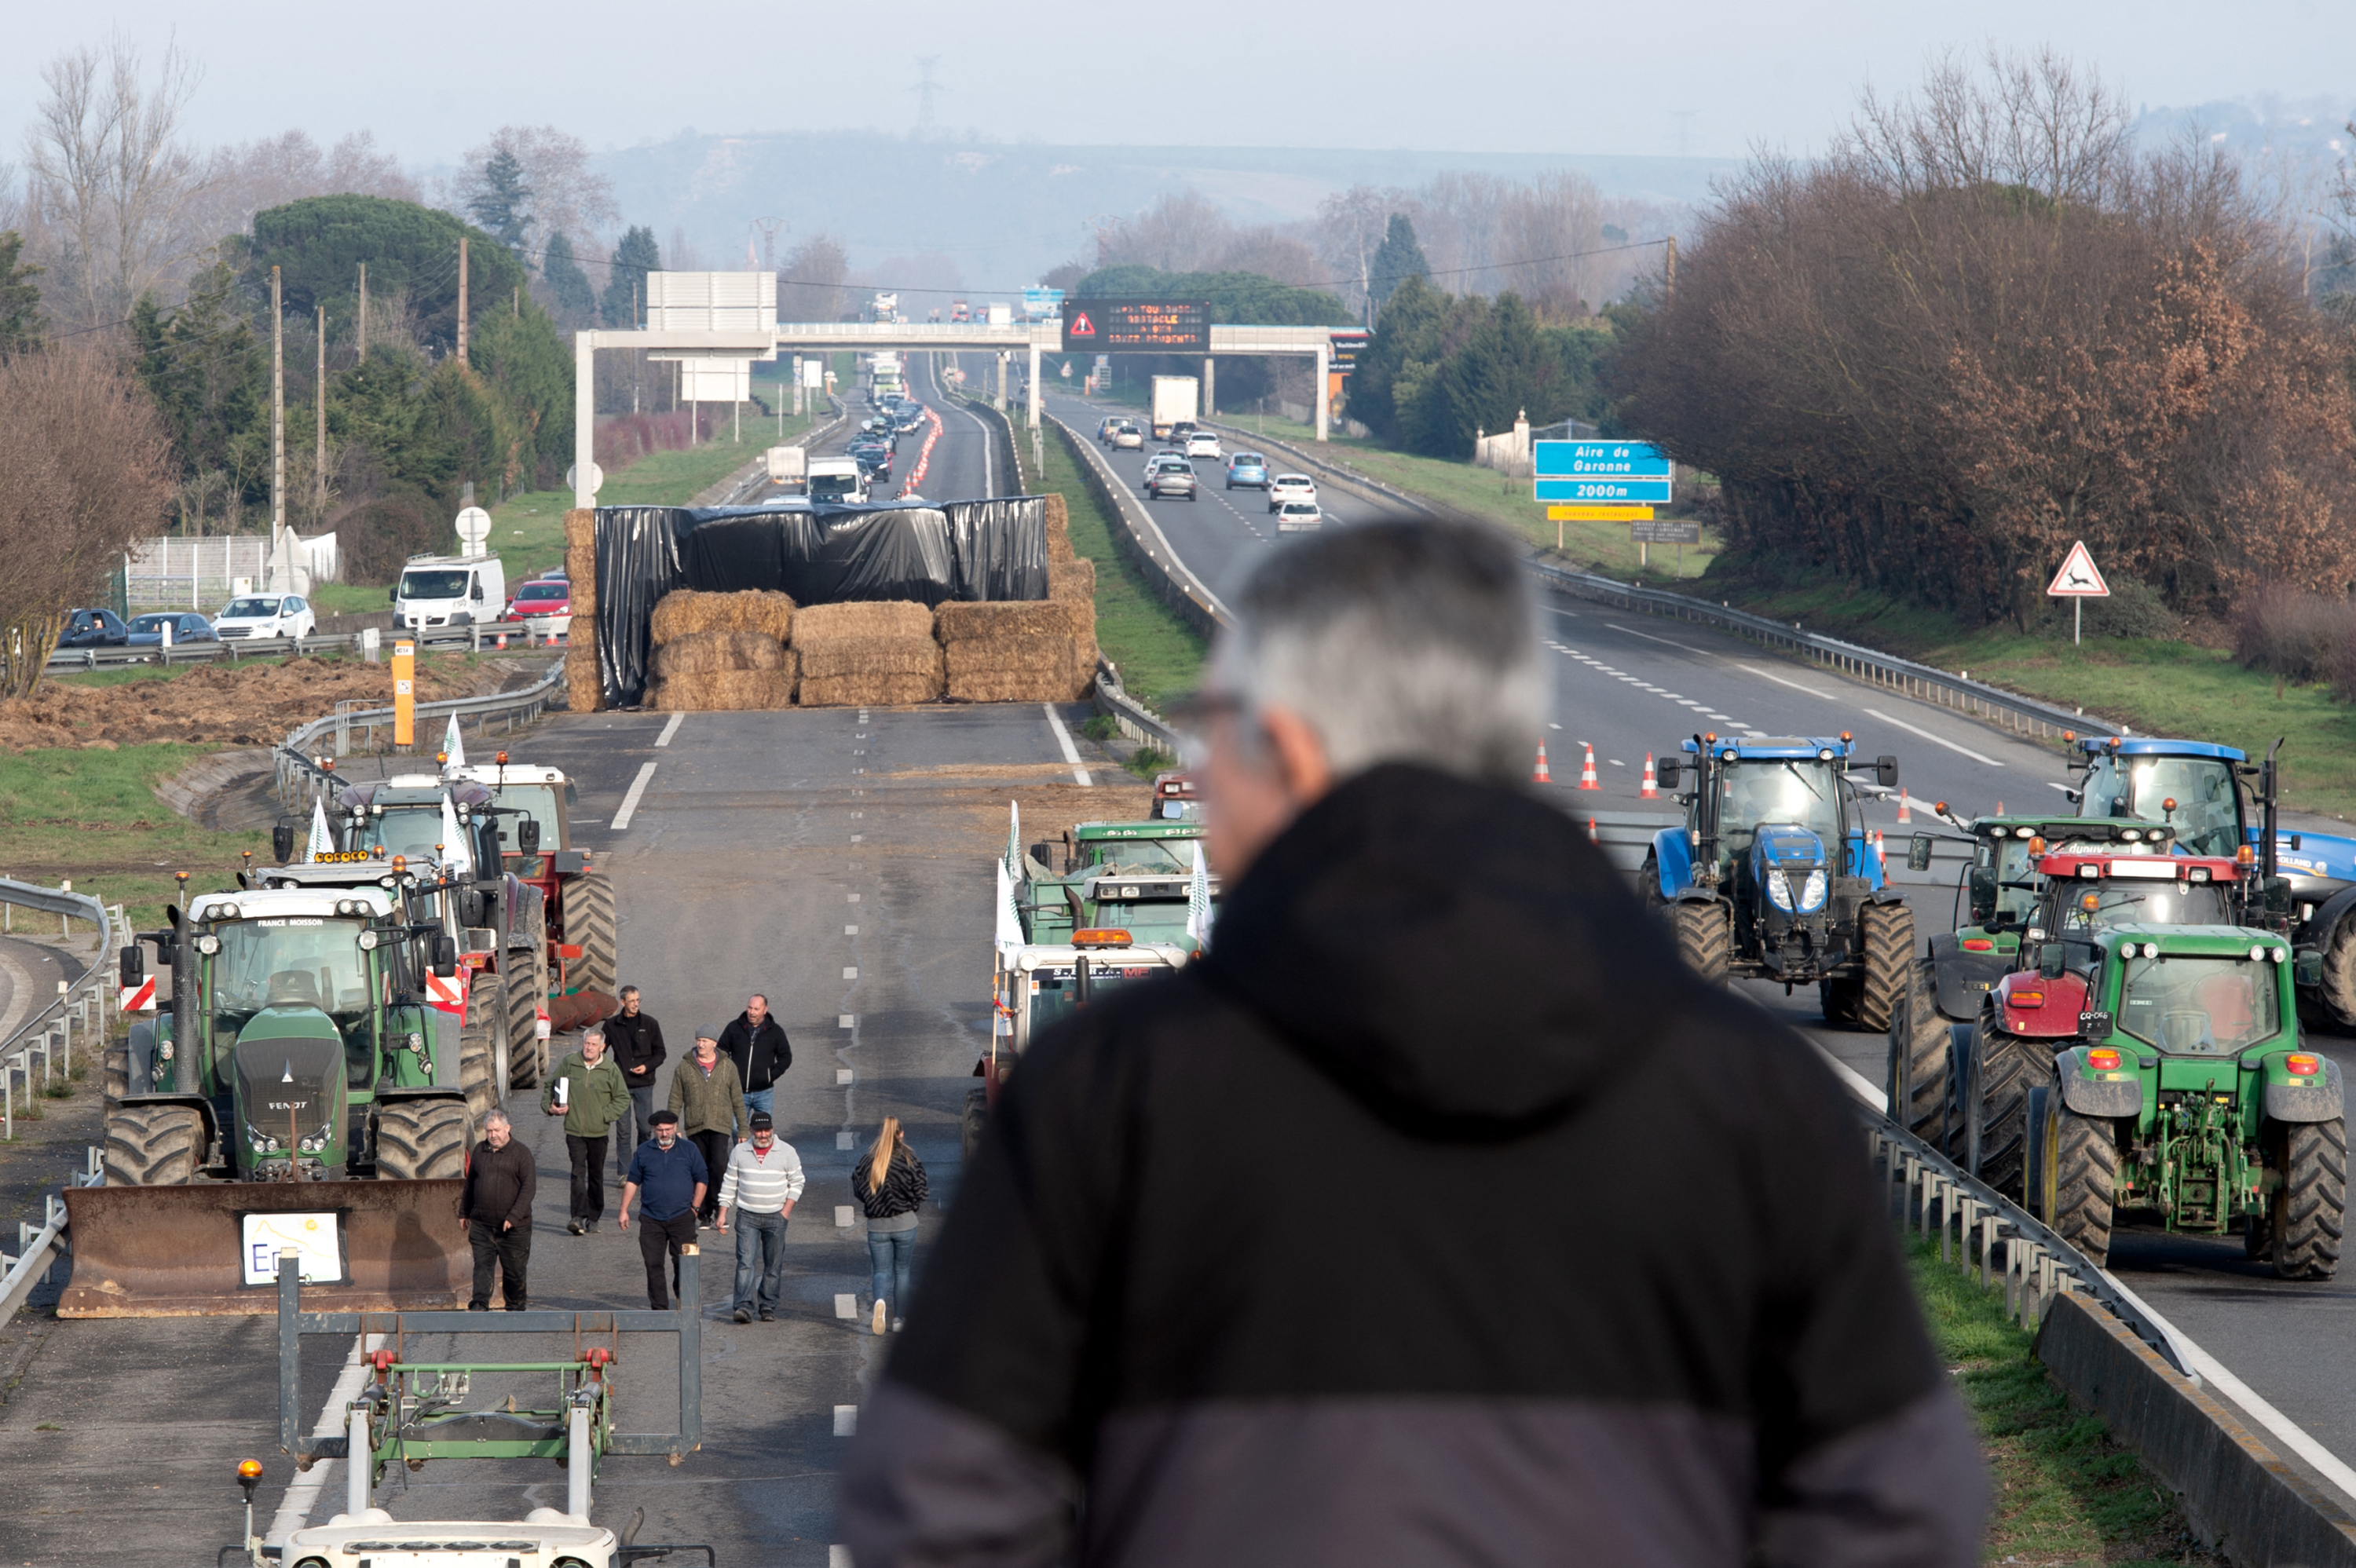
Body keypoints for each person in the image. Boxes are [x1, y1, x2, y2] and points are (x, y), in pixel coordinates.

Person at [841, 520, 1987, 1567]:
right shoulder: (1760, 1103)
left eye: (1210, 733)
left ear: (1285, 751)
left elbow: (938, 1502)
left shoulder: (1109, 1095)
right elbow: (1900, 1508)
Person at [716, 1110, 805, 1323]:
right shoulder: (739, 1151)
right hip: (747, 1216)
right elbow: (730, 1183)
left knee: (773, 1264)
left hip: (776, 1216)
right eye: (758, 1131)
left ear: (772, 1130)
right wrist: (722, 1213)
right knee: (745, 1262)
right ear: (751, 1131)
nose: (763, 1135)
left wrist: (785, 1212)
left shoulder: (787, 1151)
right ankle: (743, 1307)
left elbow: (797, 1182)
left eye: (766, 1130)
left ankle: (767, 1306)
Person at [541, 1025, 631, 1234]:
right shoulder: (570, 1063)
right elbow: (549, 1086)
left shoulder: (610, 1069)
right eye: (586, 1043)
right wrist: (550, 1107)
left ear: (603, 1046)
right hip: (574, 1131)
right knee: (577, 1172)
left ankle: (594, 1216)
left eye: (593, 1044)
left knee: (596, 1176)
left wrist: (604, 1116)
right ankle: (578, 1217)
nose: (588, 1048)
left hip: (599, 1133)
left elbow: (622, 1098)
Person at [619, 1109, 707, 1310]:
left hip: (682, 1217)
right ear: (653, 1129)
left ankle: (685, 1302)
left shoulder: (689, 1149)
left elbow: (702, 1178)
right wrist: (623, 1210)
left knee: (683, 1264)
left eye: (668, 1129)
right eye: (660, 1130)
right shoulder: (643, 1151)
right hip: (651, 1219)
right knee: (653, 1265)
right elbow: (633, 1181)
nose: (665, 1134)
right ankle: (659, 1308)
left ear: (676, 1128)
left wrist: (695, 1208)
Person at [850, 1117, 926, 1337]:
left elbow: (857, 1185)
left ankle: (880, 1301)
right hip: (905, 1223)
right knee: (903, 1271)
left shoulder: (869, 1159)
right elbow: (921, 1189)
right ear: (901, 1134)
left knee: (881, 1271)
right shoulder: (909, 1158)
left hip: (877, 1225)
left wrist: (872, 1204)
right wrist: (911, 1206)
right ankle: (900, 1318)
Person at [668, 1033, 749, 1225]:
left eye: (705, 1040)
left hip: (720, 1126)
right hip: (695, 1126)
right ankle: (703, 1213)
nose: (700, 1043)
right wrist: (673, 1126)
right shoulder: (684, 1067)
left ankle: (719, 1209)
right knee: (699, 1168)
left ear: (714, 1043)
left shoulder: (728, 1067)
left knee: (719, 1165)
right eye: (698, 1040)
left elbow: (738, 1100)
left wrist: (743, 1130)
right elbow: (675, 1098)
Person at [458, 1109, 534, 1311]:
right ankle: (480, 1304)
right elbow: (470, 1184)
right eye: (489, 1131)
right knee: (482, 1266)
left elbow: (528, 1189)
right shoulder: (480, 1152)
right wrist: (464, 1212)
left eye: (497, 1130)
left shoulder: (521, 1154)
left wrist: (514, 1216)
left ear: (507, 1129)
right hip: (482, 1225)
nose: (493, 1135)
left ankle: (516, 1307)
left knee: (514, 1272)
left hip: (514, 1228)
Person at [605, 985, 668, 1175]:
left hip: (644, 1084)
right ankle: (625, 1173)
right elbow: (601, 1051)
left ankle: (641, 1164)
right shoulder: (611, 1025)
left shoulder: (650, 1024)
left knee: (644, 1128)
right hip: (621, 1086)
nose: (636, 1004)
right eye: (632, 1001)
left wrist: (647, 1067)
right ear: (622, 1002)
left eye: (638, 1000)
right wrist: (609, 1073)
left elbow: (661, 1053)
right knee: (623, 1131)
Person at [717, 994, 792, 1119]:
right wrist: (729, 1074)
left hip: (764, 1093)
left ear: (765, 1010)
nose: (752, 1012)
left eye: (756, 1009)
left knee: (763, 1131)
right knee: (737, 1130)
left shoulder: (776, 1032)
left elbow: (786, 1057)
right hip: (738, 1092)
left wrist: (770, 1076)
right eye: (750, 1008)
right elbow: (720, 1052)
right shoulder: (734, 1028)